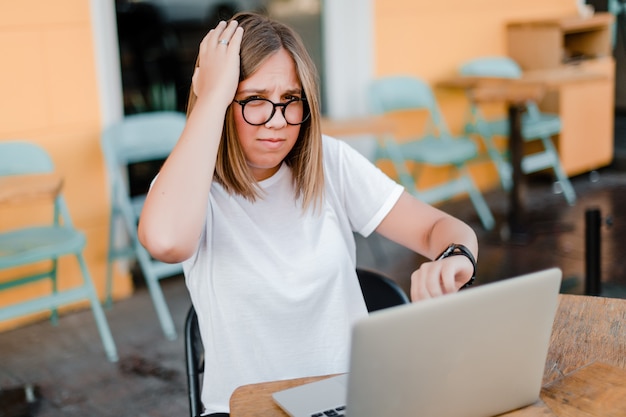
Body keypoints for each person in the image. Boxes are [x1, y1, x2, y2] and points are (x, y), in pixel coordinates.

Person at [138, 12, 478, 416]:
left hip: (351, 400)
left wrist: (456, 255)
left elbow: (439, 228)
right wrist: (210, 97)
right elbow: (166, 241)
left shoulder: (328, 163)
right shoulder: (190, 185)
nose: (278, 122)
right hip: (249, 410)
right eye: (255, 101)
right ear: (223, 100)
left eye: (290, 101)